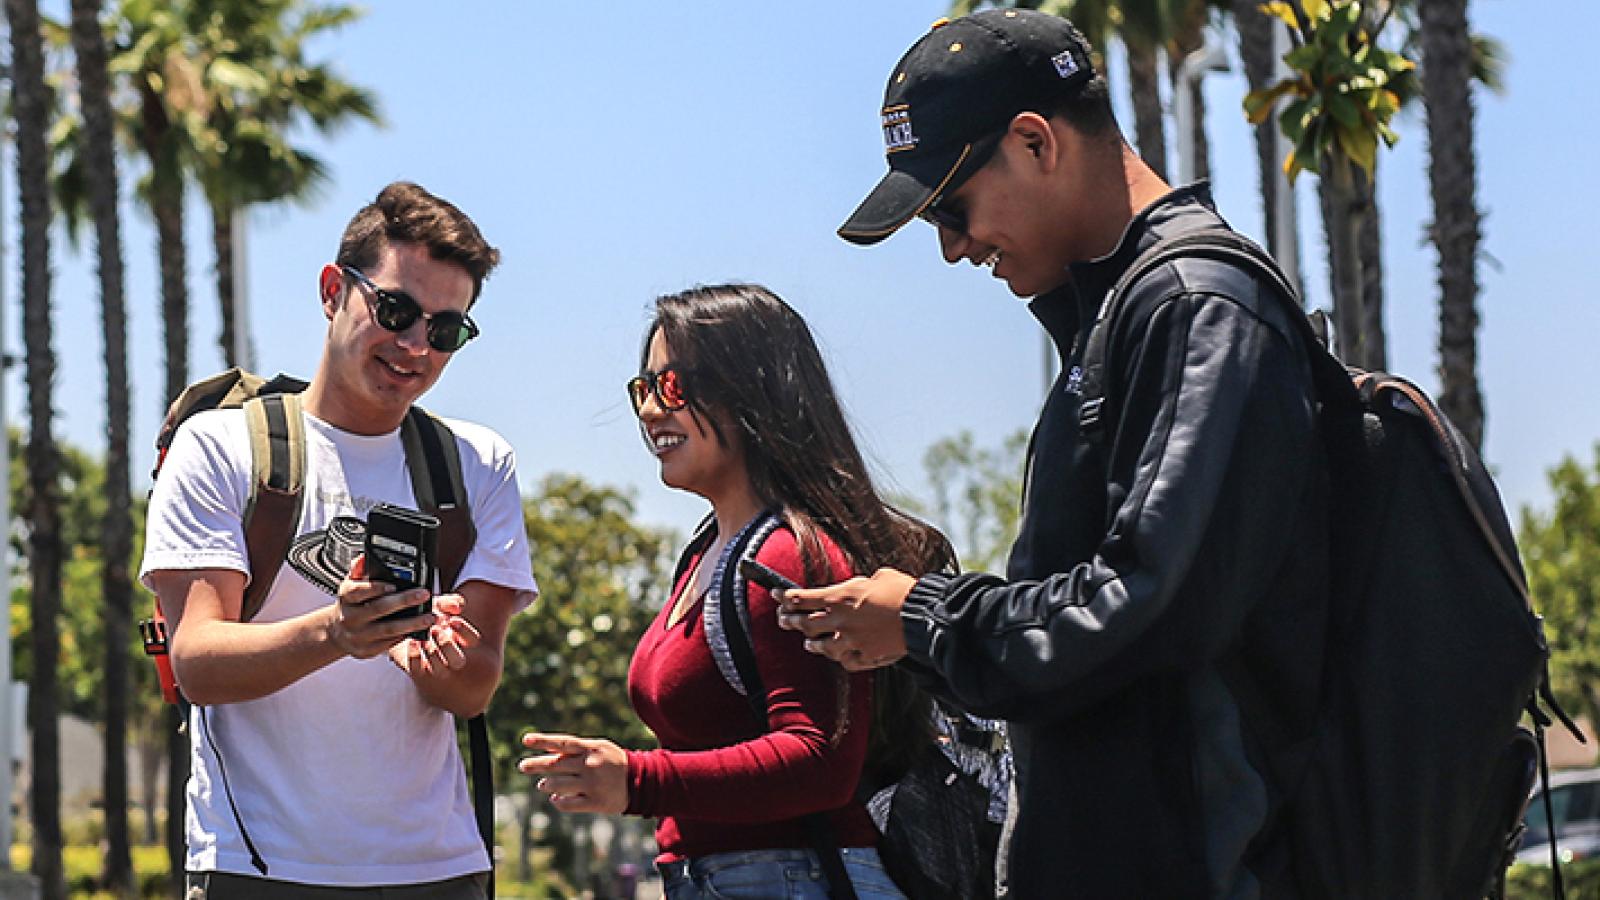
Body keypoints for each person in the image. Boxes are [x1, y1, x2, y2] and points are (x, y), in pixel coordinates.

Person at [778, 10, 1332, 898]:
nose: (954, 248)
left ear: (1036, 142)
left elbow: (1147, 602)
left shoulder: (1196, 305)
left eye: (950, 209)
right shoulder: (1124, 315)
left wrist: (924, 620)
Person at [141, 181, 539, 897]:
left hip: (436, 870)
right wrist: (339, 632)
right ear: (333, 290)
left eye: (446, 330)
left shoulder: (478, 465)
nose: (416, 345)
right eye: (396, 310)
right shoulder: (222, 447)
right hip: (256, 868)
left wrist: (429, 656)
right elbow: (197, 661)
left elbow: (475, 688)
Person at [518, 284, 950, 899]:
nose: (648, 412)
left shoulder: (787, 555)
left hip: (791, 879)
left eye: (672, 387)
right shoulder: (707, 552)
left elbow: (820, 760)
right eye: (643, 389)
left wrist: (636, 781)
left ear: (750, 391)